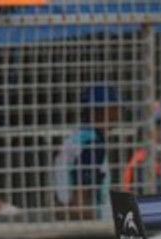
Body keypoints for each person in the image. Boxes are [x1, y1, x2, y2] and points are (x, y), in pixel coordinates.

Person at [51, 83, 121, 219]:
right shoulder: (91, 143)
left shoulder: (79, 137)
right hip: (85, 223)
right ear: (99, 111)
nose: (117, 113)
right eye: (113, 108)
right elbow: (80, 201)